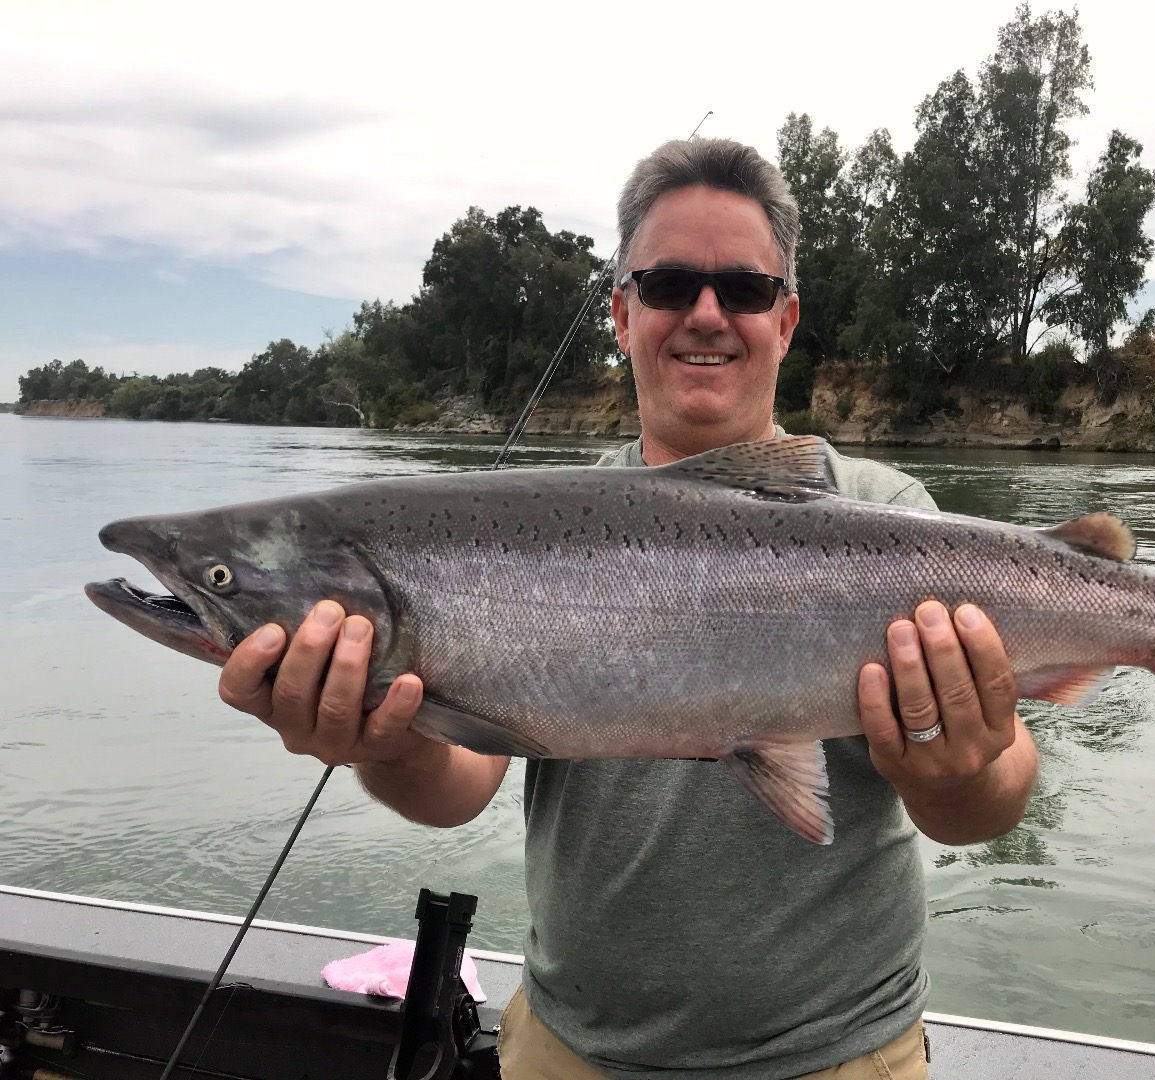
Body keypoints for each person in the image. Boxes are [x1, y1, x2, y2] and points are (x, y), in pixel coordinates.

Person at [217, 138, 1038, 1079]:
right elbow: (454, 792)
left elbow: (991, 801)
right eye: (668, 284)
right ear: (621, 311)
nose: (705, 314)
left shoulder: (889, 519)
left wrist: (953, 772)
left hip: (839, 1058)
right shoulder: (517, 535)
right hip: (569, 1052)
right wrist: (384, 741)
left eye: (743, 288)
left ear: (787, 318)